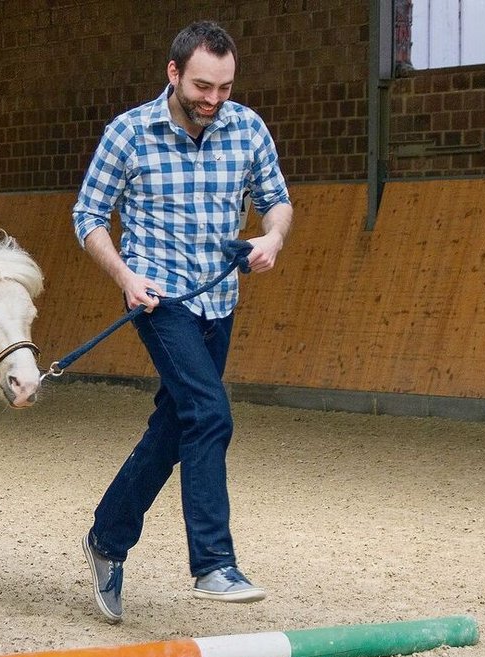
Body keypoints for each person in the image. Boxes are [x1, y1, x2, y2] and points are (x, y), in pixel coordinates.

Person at [71, 20, 293, 623]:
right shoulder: (130, 133)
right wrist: (125, 277)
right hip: (158, 297)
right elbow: (88, 214)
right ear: (173, 74)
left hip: (219, 299)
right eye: (202, 86)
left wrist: (271, 236)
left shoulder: (246, 127)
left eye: (223, 87)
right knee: (209, 412)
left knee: (175, 426)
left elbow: (277, 199)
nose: (213, 100)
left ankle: (107, 540)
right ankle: (213, 565)